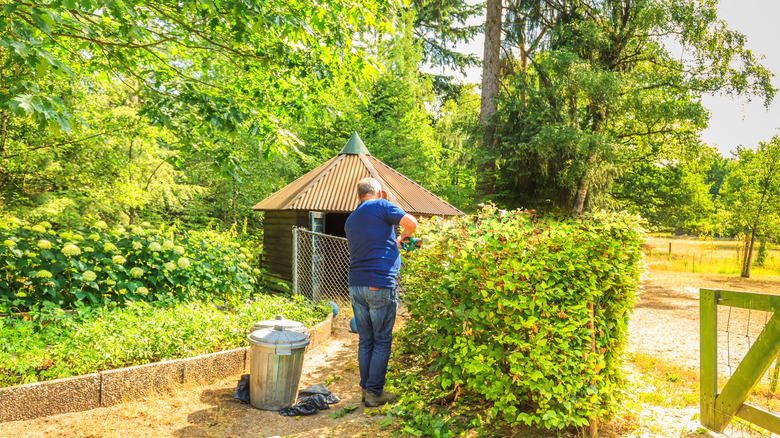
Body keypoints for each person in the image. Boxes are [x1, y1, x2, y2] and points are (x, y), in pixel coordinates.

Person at [344, 177, 418, 407]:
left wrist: (392, 242)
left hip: (356, 285)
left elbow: (370, 244)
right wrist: (403, 237)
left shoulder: (351, 219)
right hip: (379, 284)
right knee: (382, 340)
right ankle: (375, 393)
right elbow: (412, 223)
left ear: (358, 197)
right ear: (379, 193)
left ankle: (367, 389)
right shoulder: (381, 205)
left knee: (366, 340)